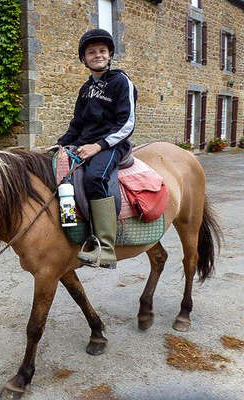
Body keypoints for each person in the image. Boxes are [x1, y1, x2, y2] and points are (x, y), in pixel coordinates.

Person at [56, 28, 137, 267]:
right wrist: (60, 145)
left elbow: (127, 123)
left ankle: (105, 247)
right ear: (84, 59)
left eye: (102, 51)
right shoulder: (85, 89)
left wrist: (98, 146)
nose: (97, 55)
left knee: (94, 177)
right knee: (59, 175)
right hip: (85, 144)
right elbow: (77, 124)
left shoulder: (121, 82)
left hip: (112, 144)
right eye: (91, 52)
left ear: (110, 54)